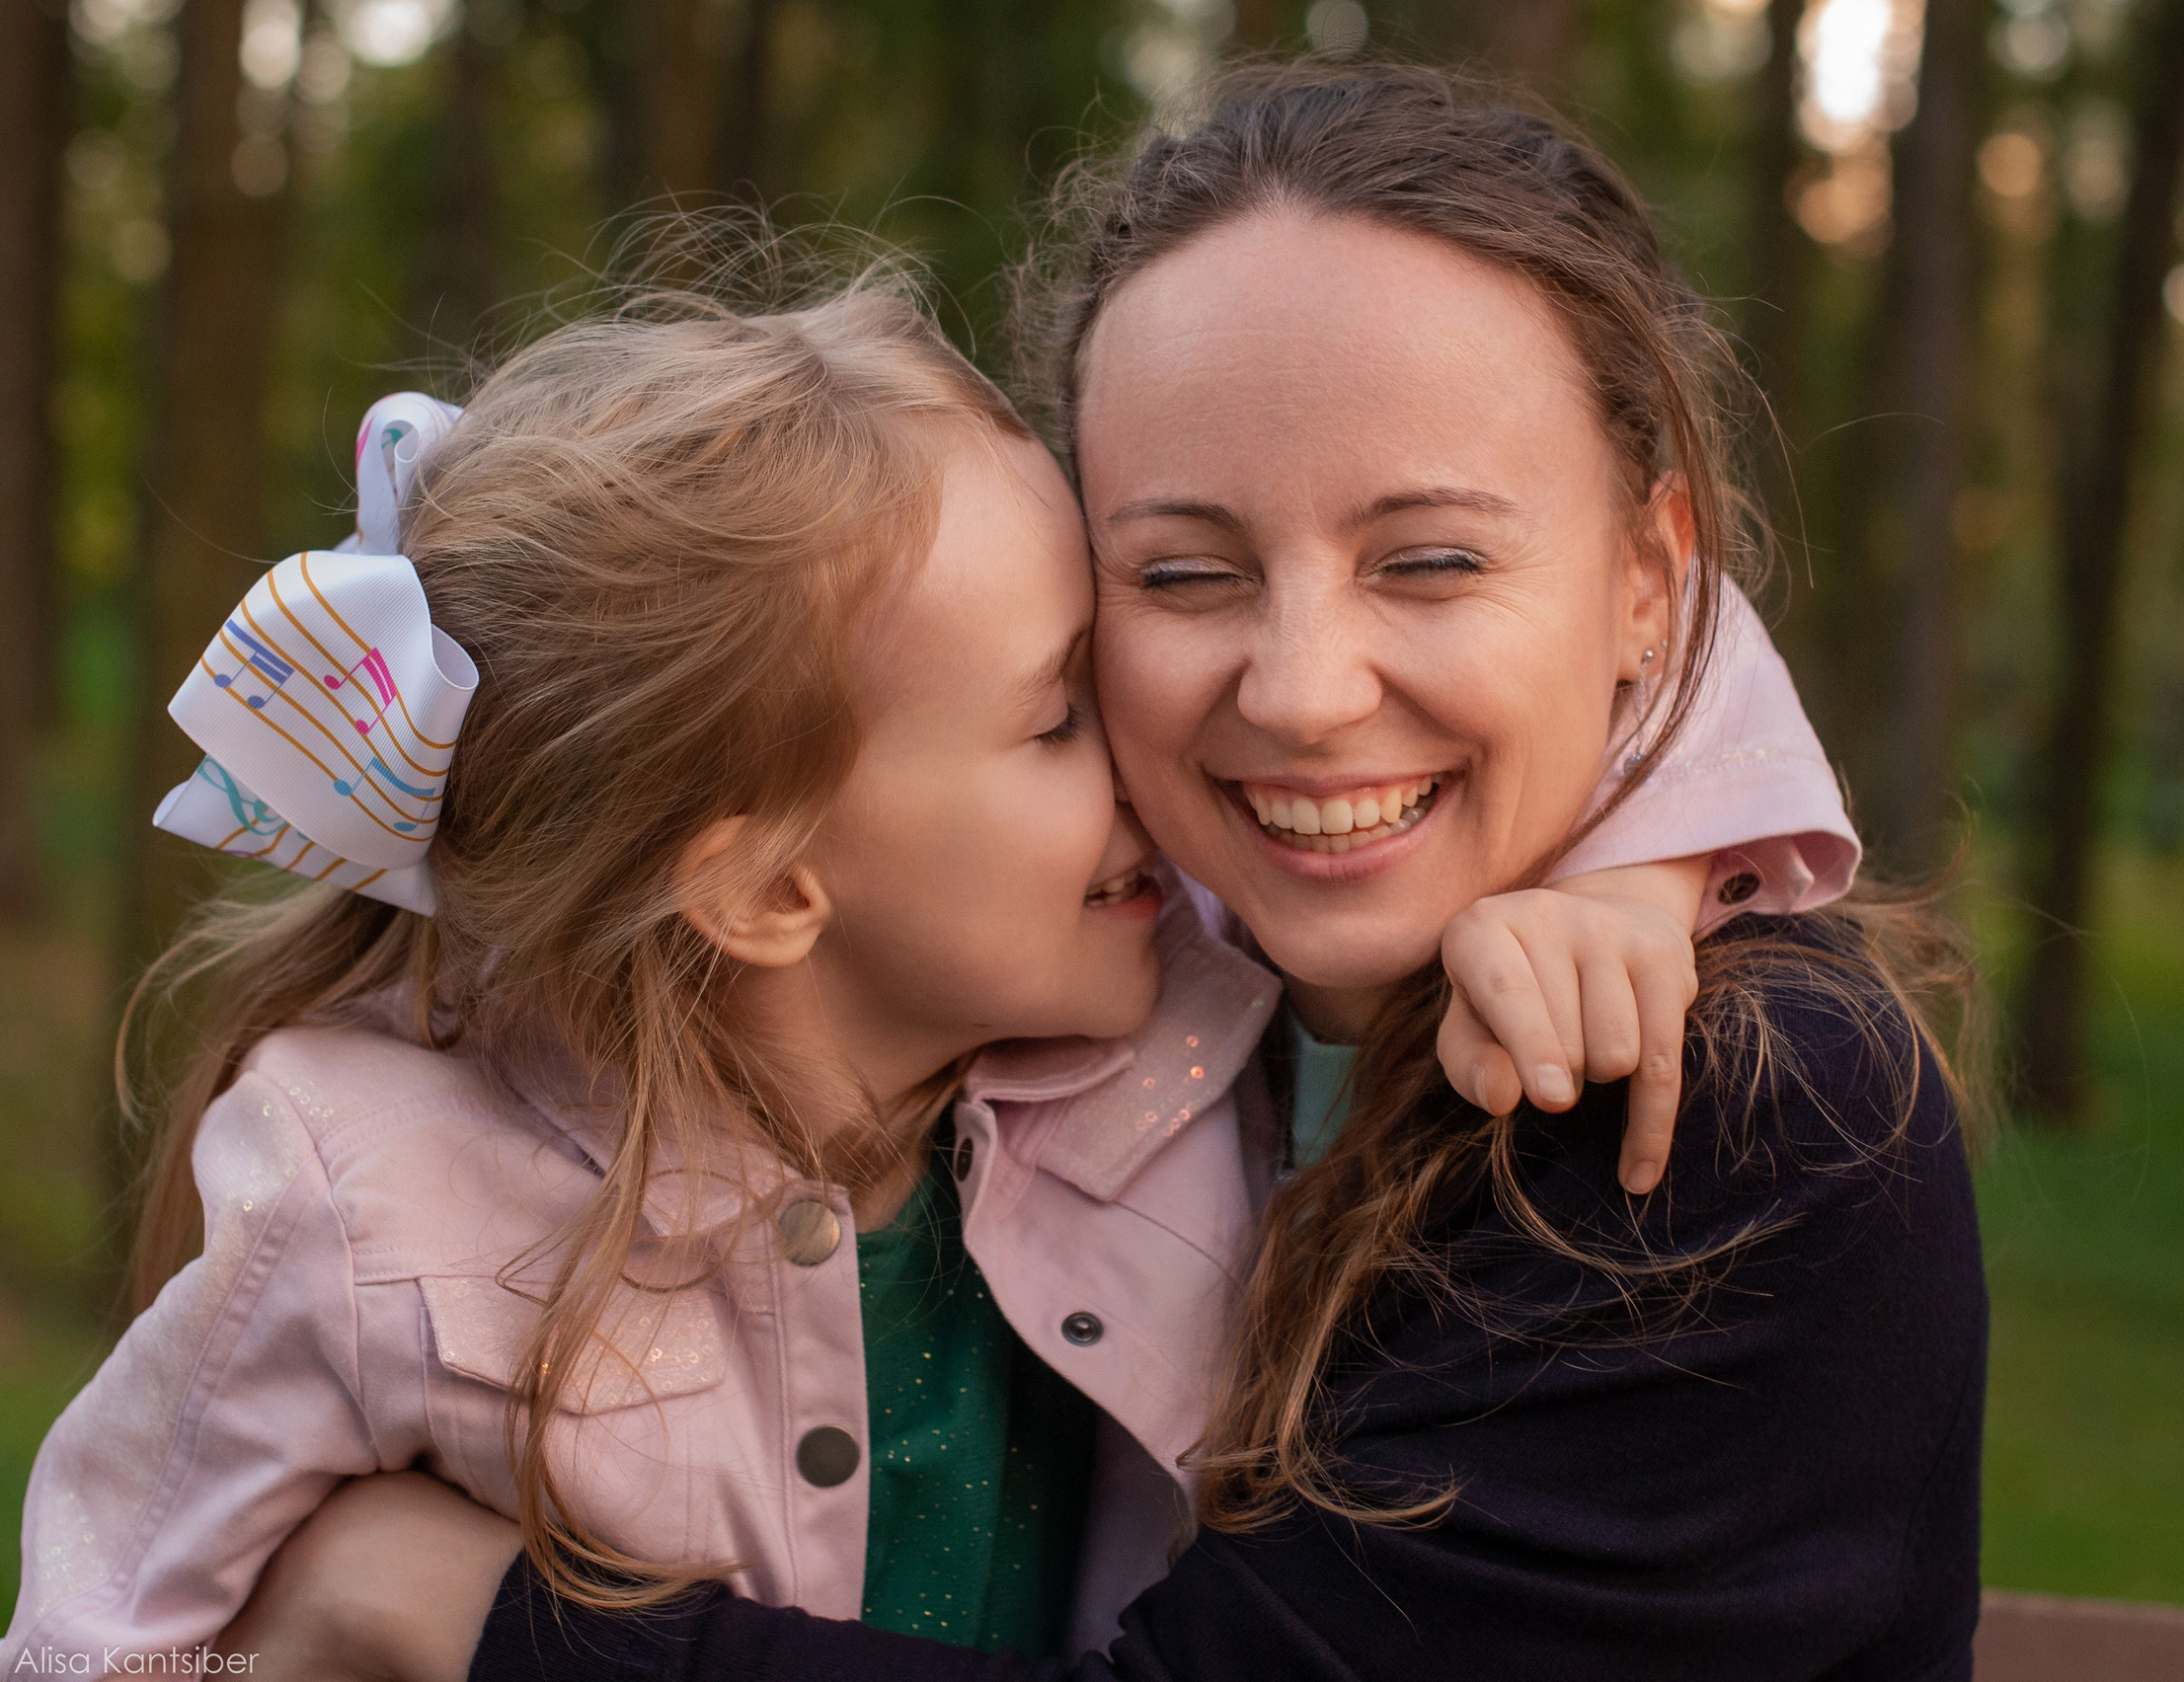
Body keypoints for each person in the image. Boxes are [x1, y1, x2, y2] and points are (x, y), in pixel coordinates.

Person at [218, 61, 1984, 1682]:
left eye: (1431, 559)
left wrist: (446, 1608)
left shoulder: (1741, 1111)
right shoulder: (1137, 939)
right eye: (1184, 576)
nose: (1299, 694)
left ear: (1651, 578)